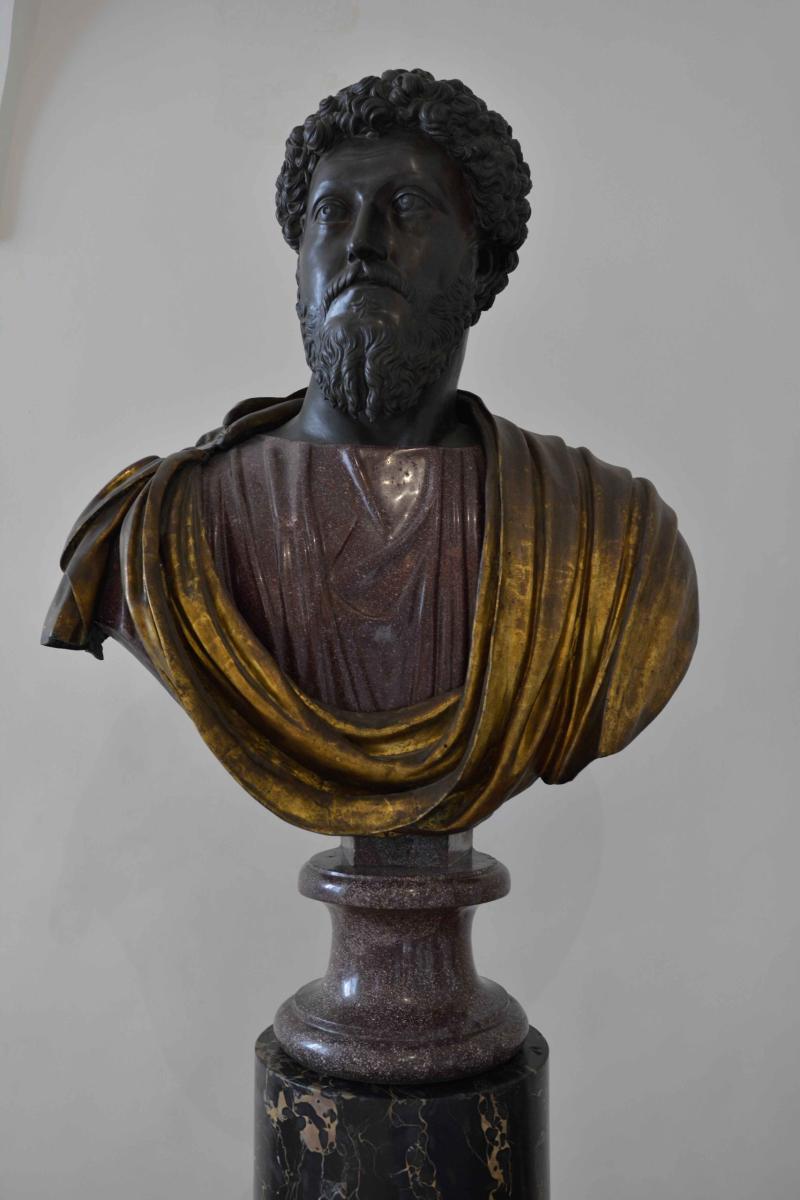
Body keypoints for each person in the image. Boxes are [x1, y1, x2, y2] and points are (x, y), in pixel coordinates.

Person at [42, 69, 698, 836]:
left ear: (483, 264)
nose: (362, 243)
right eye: (332, 213)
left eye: (408, 207)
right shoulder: (158, 535)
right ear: (300, 266)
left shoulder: (612, 540)